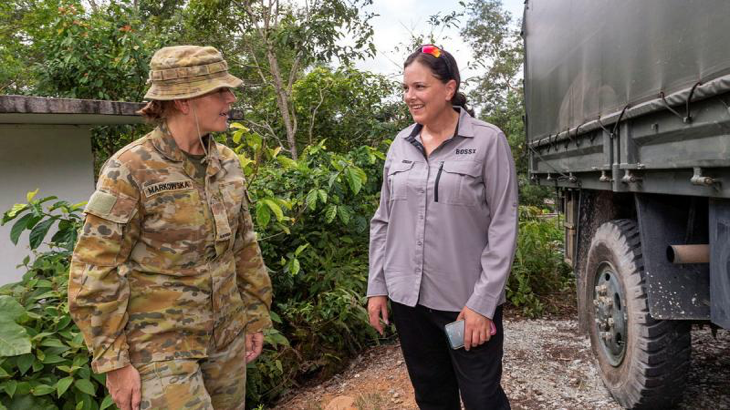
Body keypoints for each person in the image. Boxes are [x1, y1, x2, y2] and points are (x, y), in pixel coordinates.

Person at [68, 45, 273, 410]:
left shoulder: (226, 163)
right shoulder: (130, 169)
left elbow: (244, 245)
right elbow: (95, 268)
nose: (231, 98)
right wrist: (113, 362)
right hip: (160, 348)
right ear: (183, 100)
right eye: (219, 91)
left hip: (225, 338)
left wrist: (254, 315)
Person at [367, 44, 518, 410]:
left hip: (465, 305)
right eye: (406, 88)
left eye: (419, 87)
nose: (410, 97)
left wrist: (482, 304)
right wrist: (377, 286)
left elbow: (503, 224)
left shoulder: (487, 140)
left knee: (482, 398)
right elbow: (383, 220)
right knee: (432, 396)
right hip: (410, 302)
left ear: (449, 89)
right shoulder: (400, 145)